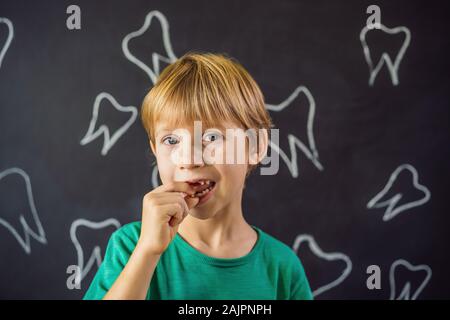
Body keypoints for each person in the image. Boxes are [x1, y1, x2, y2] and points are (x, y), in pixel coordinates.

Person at [83, 52, 313, 300]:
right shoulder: (131, 247)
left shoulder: (282, 268)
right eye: (171, 140)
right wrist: (147, 252)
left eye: (212, 137)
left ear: (256, 146)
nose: (188, 159)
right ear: (154, 150)